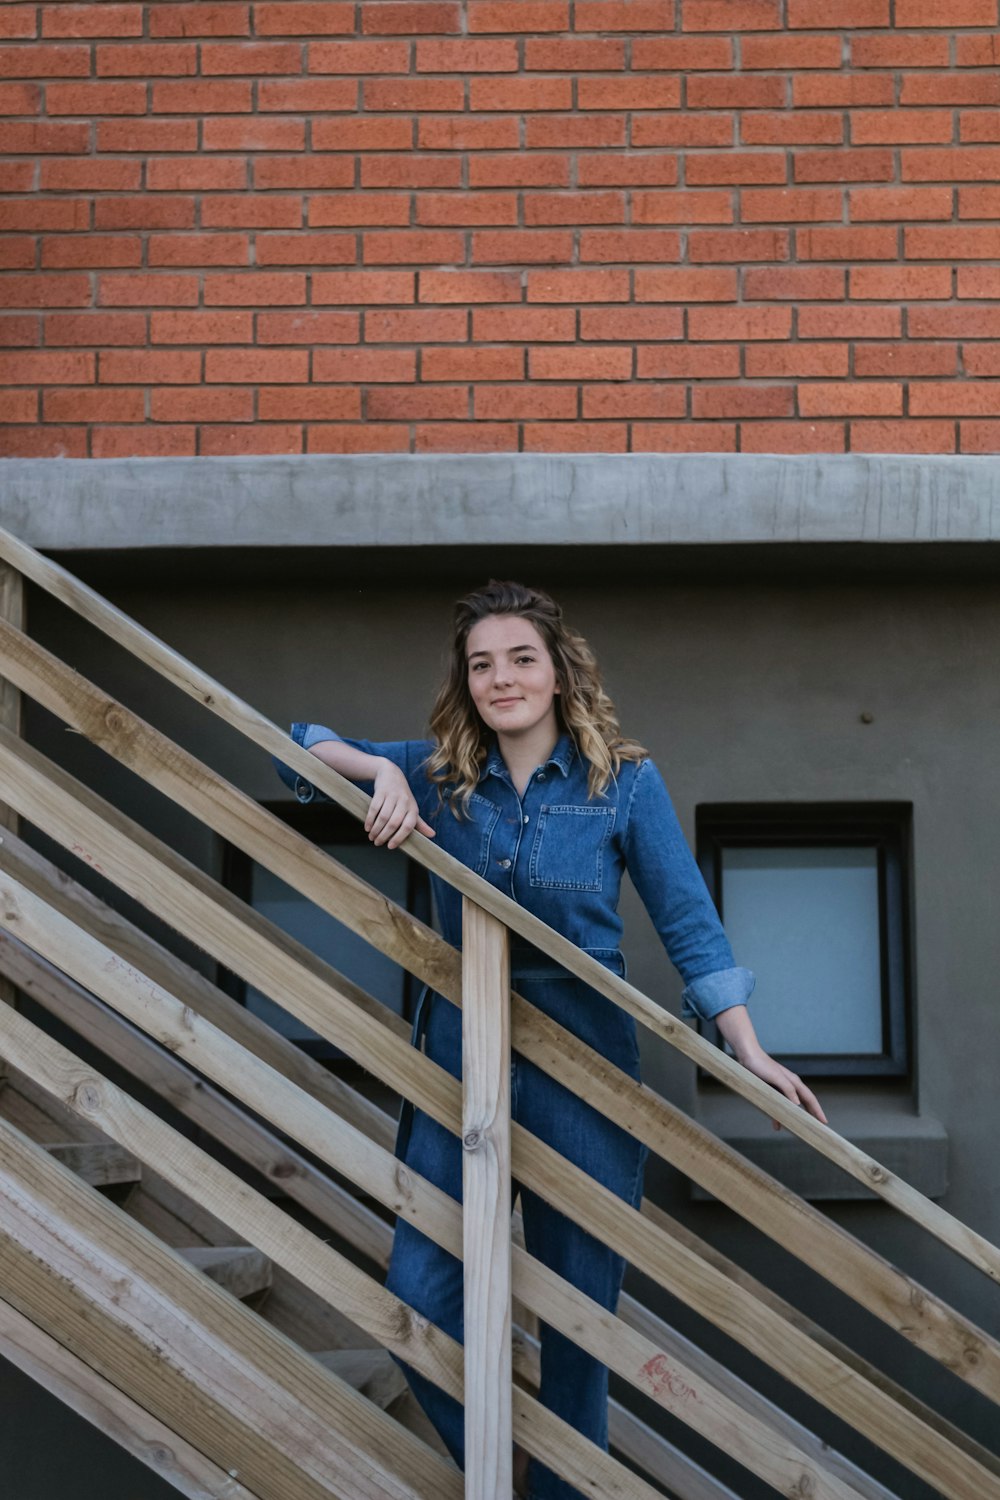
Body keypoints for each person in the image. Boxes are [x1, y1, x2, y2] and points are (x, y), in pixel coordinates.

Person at [276, 580, 825, 1500]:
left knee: (580, 1321)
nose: (502, 679)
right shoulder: (439, 774)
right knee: (419, 1291)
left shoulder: (623, 781)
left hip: (587, 1059)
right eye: (481, 664)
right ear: (467, 680)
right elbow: (294, 751)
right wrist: (378, 773)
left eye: (521, 658)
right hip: (459, 1048)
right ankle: (521, 1478)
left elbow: (689, 923)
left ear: (560, 672)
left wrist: (747, 1048)